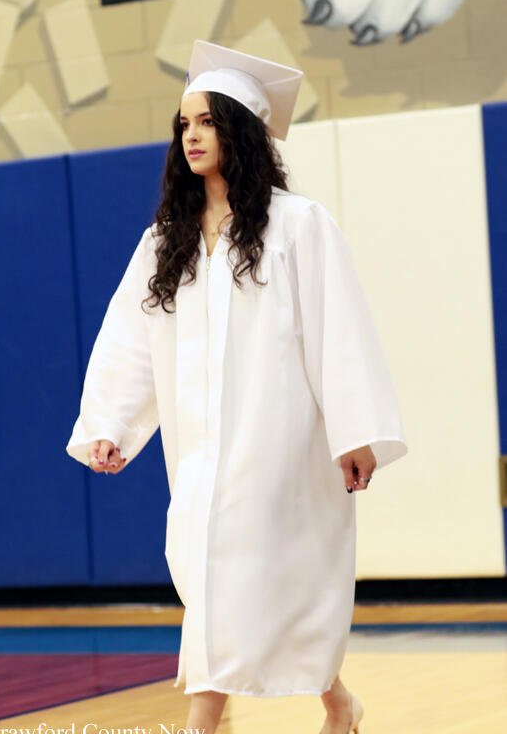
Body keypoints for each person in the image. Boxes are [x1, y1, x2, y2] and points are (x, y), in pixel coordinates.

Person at [66, 39, 408, 734]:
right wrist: (109, 423)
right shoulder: (165, 241)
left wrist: (355, 434)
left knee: (243, 580)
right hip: (197, 449)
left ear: (240, 131)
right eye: (183, 124)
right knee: (219, 579)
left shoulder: (297, 226)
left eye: (207, 122)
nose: (191, 136)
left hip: (276, 438)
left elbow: (339, 331)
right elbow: (129, 337)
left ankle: (201, 724)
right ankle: (337, 702)